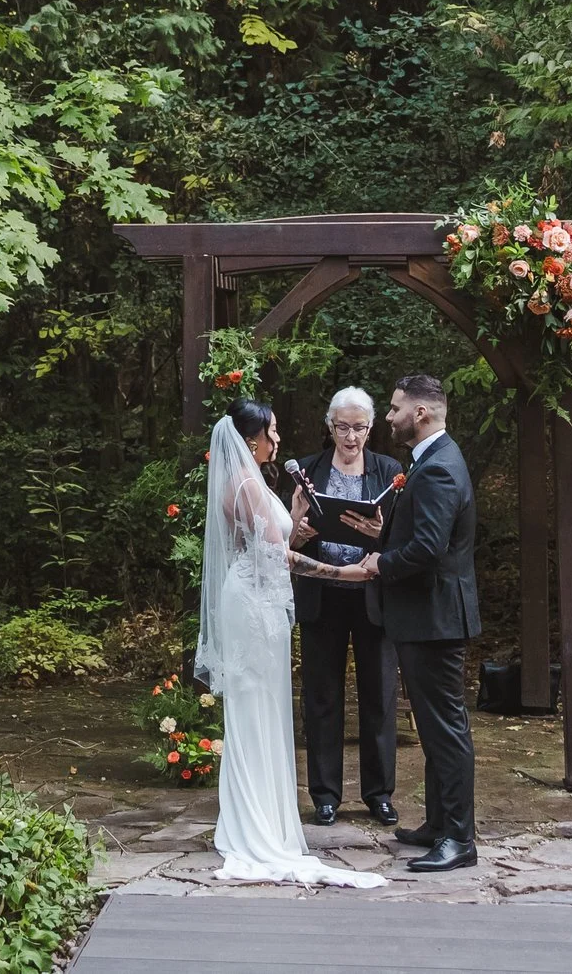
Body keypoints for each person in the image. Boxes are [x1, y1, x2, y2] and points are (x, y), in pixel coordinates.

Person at [195, 399, 385, 888]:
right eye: (272, 432)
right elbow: (281, 559)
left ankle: (265, 815)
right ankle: (253, 824)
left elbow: (277, 545)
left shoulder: (254, 483)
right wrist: (343, 571)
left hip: (259, 603)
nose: (278, 440)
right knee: (255, 710)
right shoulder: (244, 485)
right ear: (250, 438)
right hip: (252, 609)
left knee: (266, 709)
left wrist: (298, 515)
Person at [340, 373, 479, 873]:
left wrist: (380, 562)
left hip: (434, 618)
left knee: (445, 730)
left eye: (396, 408)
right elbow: (419, 532)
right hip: (425, 616)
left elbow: (429, 547)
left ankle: (460, 839)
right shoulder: (429, 462)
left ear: (421, 413)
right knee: (437, 727)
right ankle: (440, 824)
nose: (391, 417)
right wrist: (385, 533)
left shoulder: (440, 468)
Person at [284, 386, 400, 827]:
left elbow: (401, 539)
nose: (351, 437)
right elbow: (285, 541)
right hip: (321, 592)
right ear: (329, 426)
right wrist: (300, 534)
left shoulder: (388, 471)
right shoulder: (308, 470)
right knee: (322, 698)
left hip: (372, 593)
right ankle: (325, 795)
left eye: (360, 428)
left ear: (371, 429)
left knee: (379, 697)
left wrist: (380, 535)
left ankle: (379, 793)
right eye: (342, 427)